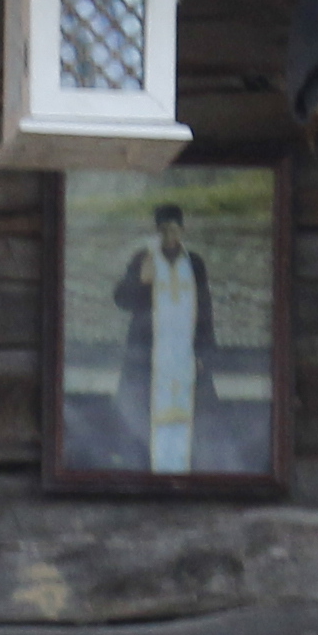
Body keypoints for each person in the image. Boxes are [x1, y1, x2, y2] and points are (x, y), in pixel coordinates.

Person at [115, 201, 204, 475]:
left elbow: (205, 310)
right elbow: (121, 299)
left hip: (185, 354)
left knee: (192, 417)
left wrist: (204, 353)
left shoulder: (194, 263)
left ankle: (185, 473)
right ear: (157, 232)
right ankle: (146, 473)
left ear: (183, 230)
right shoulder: (145, 259)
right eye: (163, 230)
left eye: (174, 229)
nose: (169, 235)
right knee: (145, 415)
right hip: (150, 355)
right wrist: (141, 281)